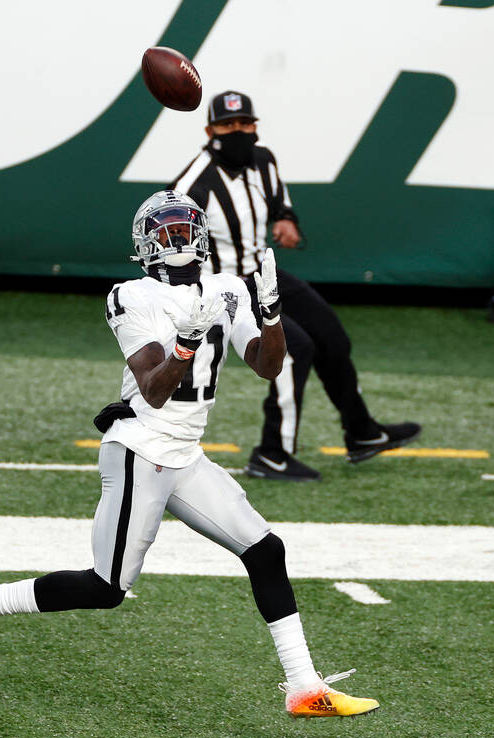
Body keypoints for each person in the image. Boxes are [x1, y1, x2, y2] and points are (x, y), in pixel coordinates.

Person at [0, 190, 378, 719]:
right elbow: (152, 388)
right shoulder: (131, 295)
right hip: (140, 449)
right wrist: (186, 344)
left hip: (186, 454)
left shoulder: (228, 288)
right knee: (106, 587)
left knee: (265, 549)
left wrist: (274, 314)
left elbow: (266, 364)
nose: (179, 241)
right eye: (166, 233)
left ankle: (305, 687)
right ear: (146, 244)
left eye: (185, 230)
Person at [170, 90, 421, 482]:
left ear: (255, 126)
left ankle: (362, 433)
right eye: (227, 125)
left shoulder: (263, 159)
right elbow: (175, 248)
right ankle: (273, 453)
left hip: (261, 272)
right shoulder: (192, 184)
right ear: (210, 130)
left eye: (245, 123)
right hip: (224, 286)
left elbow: (279, 204)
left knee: (332, 336)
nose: (238, 131)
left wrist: (286, 220)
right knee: (293, 349)